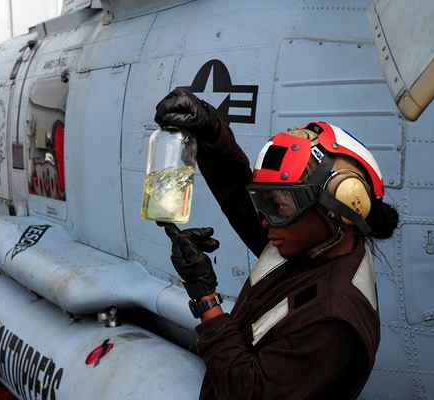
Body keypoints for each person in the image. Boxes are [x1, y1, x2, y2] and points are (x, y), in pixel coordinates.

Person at [154, 88, 399, 400]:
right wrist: (209, 129)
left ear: (340, 209)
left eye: (279, 206)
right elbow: (237, 195)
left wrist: (207, 301)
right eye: (266, 203)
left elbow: (249, 392)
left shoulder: (334, 320)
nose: (266, 220)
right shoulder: (309, 243)